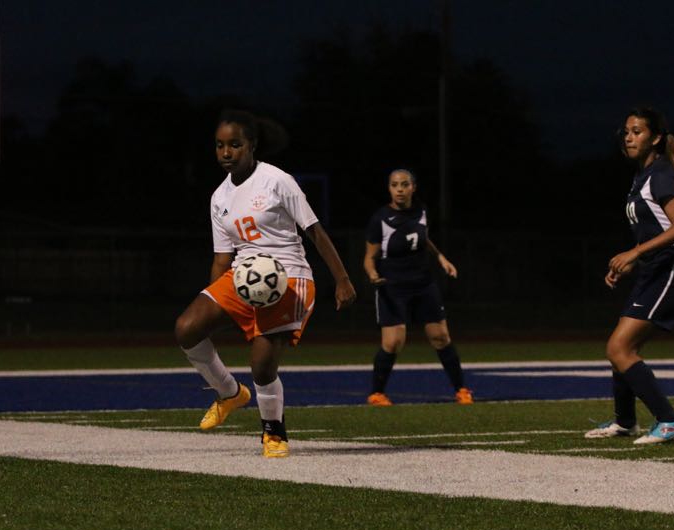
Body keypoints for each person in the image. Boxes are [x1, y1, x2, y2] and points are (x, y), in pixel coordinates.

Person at [174, 109, 356, 458]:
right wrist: (215, 303)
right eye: (220, 146)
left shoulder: (277, 180)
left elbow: (315, 231)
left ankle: (273, 431)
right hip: (245, 276)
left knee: (261, 366)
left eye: (235, 145)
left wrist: (343, 280)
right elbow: (222, 259)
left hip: (287, 277)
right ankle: (229, 393)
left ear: (252, 146)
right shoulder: (219, 198)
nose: (226, 152)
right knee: (187, 328)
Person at [585, 107, 674, 444]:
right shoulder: (642, 176)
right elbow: (653, 230)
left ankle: (670, 421)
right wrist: (632, 262)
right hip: (653, 271)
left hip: (671, 272)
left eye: (637, 132)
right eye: (627, 132)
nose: (629, 137)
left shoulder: (660, 175)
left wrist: (635, 252)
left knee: (619, 348)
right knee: (620, 348)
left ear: (656, 138)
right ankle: (625, 422)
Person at [362, 168, 473, 406]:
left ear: (413, 187)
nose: (399, 189)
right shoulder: (380, 219)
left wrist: (441, 257)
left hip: (423, 283)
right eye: (394, 185)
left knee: (440, 337)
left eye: (404, 184)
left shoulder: (421, 210)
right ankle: (377, 393)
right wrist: (372, 275)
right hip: (392, 286)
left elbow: (422, 238)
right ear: (389, 188)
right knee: (393, 342)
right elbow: (369, 257)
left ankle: (462, 390)